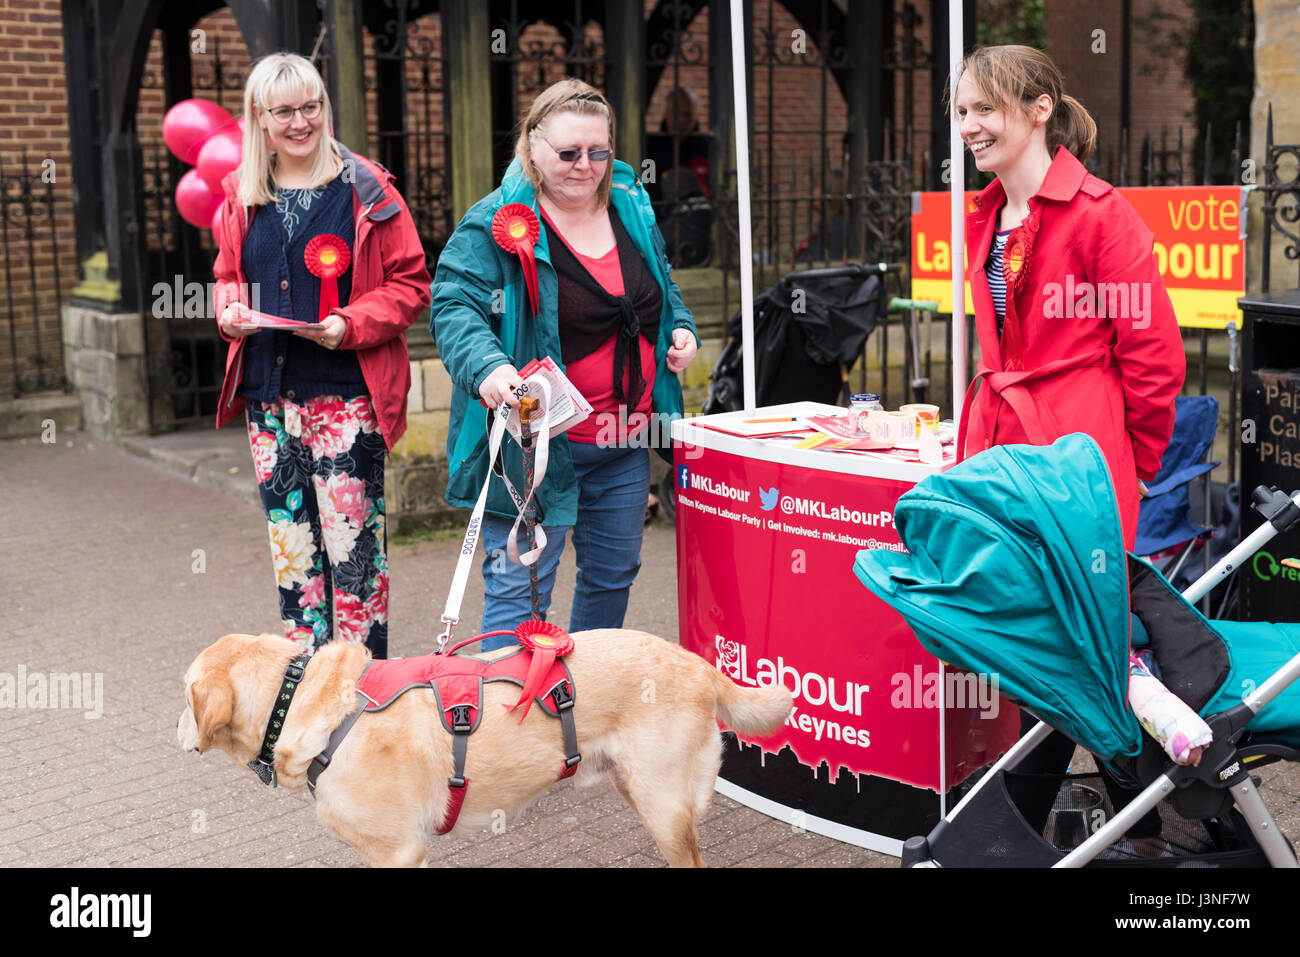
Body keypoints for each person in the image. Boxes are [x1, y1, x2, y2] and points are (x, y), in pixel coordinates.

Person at [952, 45, 1189, 846]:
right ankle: (1110, 822)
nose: (969, 126)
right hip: (1005, 453)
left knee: (1081, 645)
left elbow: (1155, 360)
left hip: (1076, 462)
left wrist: (1129, 470)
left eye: (985, 108)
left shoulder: (1099, 212)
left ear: (1039, 107)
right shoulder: (985, 213)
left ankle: (1128, 817)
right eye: (960, 112)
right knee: (1037, 641)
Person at [431, 78, 699, 651]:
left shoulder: (630, 203)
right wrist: (488, 367)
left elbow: (663, 285)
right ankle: (502, 730)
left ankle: (585, 709)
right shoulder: (496, 221)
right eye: (569, 153)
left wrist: (682, 329)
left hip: (624, 440)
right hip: (537, 448)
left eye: (599, 152)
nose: (586, 166)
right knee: (520, 594)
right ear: (532, 146)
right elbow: (453, 305)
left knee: (612, 579)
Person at [212, 52, 431, 659]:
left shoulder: (368, 192)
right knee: (295, 558)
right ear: (260, 117)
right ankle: (309, 693)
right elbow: (228, 274)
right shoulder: (242, 193)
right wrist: (228, 310)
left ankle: (365, 698)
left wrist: (350, 322)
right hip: (268, 403)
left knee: (354, 559)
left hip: (346, 402)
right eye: (284, 111)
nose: (301, 122)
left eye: (311, 106)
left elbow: (412, 284)